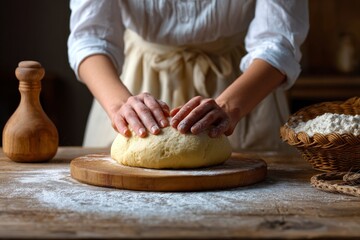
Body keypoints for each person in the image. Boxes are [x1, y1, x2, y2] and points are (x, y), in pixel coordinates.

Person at [68, 0, 309, 151]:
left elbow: (278, 41)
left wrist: (229, 106)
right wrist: (120, 105)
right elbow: (90, 37)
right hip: (130, 89)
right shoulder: (123, 103)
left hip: (243, 91)